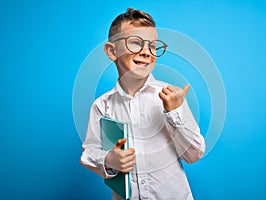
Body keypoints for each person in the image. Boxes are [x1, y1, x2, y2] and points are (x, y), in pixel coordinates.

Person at [80, 8, 206, 200]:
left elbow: (194, 154)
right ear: (112, 51)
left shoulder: (171, 97)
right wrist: (109, 160)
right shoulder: (102, 106)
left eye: (153, 46)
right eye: (136, 43)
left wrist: (175, 112)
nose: (147, 52)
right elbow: (88, 152)